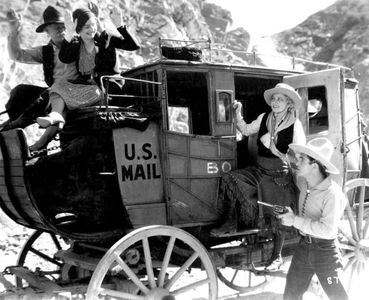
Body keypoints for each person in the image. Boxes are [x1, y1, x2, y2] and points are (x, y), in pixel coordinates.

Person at [210, 83, 306, 271]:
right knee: (231, 178)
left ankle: (276, 257)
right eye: (274, 99)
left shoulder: (295, 124)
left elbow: (300, 151)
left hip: (279, 174)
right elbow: (245, 130)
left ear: (288, 103)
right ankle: (230, 222)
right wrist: (237, 112)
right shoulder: (264, 118)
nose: (276, 102)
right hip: (259, 169)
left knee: (277, 215)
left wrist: (291, 160)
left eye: (281, 99)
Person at [31, 5, 140, 150]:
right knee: (58, 85)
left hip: (107, 89)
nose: (91, 30)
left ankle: (52, 126)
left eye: (93, 25)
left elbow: (133, 46)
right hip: (89, 88)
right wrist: (69, 34)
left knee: (69, 91)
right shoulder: (77, 44)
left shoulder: (105, 38)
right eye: (86, 27)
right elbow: (64, 57)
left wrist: (119, 25)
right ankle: (56, 115)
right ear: (79, 30)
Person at [278, 137, 348, 300]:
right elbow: (291, 167)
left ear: (314, 166)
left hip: (326, 253)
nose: (298, 162)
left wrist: (294, 220)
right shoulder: (304, 181)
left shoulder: (332, 194)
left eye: (302, 159)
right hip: (304, 249)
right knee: (290, 295)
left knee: (339, 296)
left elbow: (328, 230)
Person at [2, 6, 78, 132]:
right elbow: (16, 55)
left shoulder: (78, 45)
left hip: (75, 91)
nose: (61, 30)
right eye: (56, 27)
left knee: (47, 95)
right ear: (47, 31)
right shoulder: (46, 51)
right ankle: (13, 125)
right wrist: (14, 31)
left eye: (64, 26)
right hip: (54, 92)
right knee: (20, 91)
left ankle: (14, 127)